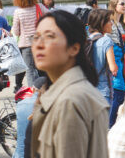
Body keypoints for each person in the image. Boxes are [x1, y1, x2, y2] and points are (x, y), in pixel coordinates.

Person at [31, 10, 109, 158]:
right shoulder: (57, 92)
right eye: (36, 37)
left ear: (74, 48)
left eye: (49, 37)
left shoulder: (70, 101)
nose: (39, 45)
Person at [12, 0, 47, 90]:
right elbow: (50, 16)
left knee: (30, 70)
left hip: (26, 45)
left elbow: (16, 32)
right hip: (40, 42)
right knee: (42, 67)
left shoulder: (18, 12)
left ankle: (33, 93)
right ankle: (46, 89)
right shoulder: (39, 6)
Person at [87, 9, 117, 105]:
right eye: (109, 21)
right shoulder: (106, 40)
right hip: (103, 91)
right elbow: (113, 68)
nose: (111, 23)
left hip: (88, 90)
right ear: (101, 23)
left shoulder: (87, 40)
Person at [107, 0, 125, 126]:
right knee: (118, 92)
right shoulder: (111, 23)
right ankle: (110, 124)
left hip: (122, 59)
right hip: (115, 60)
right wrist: (112, 63)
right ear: (115, 6)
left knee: (121, 92)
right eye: (122, 4)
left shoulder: (120, 24)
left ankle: (114, 123)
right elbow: (108, 44)